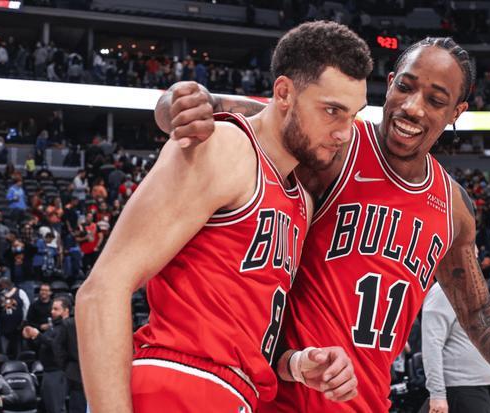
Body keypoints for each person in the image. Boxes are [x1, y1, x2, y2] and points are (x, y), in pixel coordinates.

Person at [161, 36, 490, 412]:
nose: (412, 107)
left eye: (435, 100)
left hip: (368, 401)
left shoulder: (453, 207)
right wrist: (184, 103)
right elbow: (252, 115)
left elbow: (478, 312)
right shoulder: (336, 145)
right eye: (405, 87)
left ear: (456, 113)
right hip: (284, 396)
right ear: (389, 85)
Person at [76, 21, 372, 413]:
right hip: (181, 383)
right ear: (284, 93)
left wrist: (296, 364)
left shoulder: (301, 199)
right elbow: (101, 290)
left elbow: (241, 337)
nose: (344, 133)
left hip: (236, 393)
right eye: (332, 111)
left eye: (353, 115)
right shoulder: (224, 146)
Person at [419, 282, 490, 413]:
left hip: (471, 387)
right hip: (460, 388)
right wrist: (438, 394)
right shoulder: (445, 290)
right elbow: (432, 345)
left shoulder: (468, 288)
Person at [22, 296, 71, 413]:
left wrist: (38, 335)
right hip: (48, 371)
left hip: (58, 372)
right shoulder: (54, 327)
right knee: (48, 407)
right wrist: (31, 335)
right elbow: (42, 343)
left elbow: (56, 345)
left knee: (56, 408)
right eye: (52, 309)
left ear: (66, 311)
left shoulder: (67, 326)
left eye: (56, 309)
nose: (52, 312)